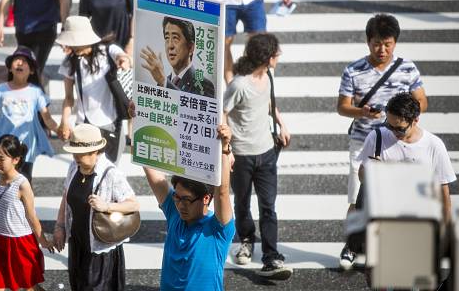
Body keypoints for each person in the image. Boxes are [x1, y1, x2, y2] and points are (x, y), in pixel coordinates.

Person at [337, 13, 428, 269]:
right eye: (377, 43)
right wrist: (362, 112)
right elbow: (342, 107)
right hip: (362, 140)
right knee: (357, 197)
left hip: (396, 142)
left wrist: (401, 115)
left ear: (395, 43)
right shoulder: (353, 70)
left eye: (388, 44)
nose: (382, 49)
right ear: (368, 42)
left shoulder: (407, 68)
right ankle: (352, 245)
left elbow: (423, 101)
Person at [223, 33, 293, 279]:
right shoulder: (240, 85)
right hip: (241, 155)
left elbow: (269, 104)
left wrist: (281, 124)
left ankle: (271, 256)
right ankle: (245, 239)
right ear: (266, 57)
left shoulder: (268, 76)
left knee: (268, 207)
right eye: (276, 53)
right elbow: (222, 112)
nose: (279, 56)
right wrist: (227, 148)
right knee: (242, 203)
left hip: (266, 152)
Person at [142, 124, 234, 290]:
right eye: (176, 197)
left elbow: (222, 193)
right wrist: (138, 118)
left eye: (186, 200)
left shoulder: (217, 229)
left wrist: (225, 149)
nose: (180, 205)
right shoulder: (174, 212)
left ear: (206, 198)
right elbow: (148, 165)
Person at [53, 123, 139, 290]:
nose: (76, 158)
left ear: (95, 152)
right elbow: (65, 196)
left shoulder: (111, 174)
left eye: (81, 154)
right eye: (74, 154)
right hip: (77, 243)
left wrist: (106, 206)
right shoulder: (74, 167)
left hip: (100, 249)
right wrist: (60, 226)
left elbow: (133, 204)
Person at [356, 92, 456, 220]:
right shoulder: (376, 138)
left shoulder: (434, 145)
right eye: (389, 125)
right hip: (383, 218)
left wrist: (445, 230)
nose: (393, 131)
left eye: (400, 128)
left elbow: (443, 192)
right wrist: (373, 172)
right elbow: (362, 176)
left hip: (420, 219)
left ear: (415, 120)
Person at [0, 45, 60, 182]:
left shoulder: (36, 92)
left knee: (25, 180)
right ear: (10, 67)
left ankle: (26, 204)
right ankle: (5, 203)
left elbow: (47, 118)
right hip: (4, 147)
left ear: (32, 70)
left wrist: (59, 130)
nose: (20, 63)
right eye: (17, 60)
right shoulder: (0, 90)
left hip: (25, 147)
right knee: (5, 180)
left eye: (25, 61)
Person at [0, 134, 54, 290]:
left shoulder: (22, 184)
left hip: (20, 242)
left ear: (16, 160)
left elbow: (31, 216)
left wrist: (43, 240)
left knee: (28, 285)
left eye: (1, 159)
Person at [56, 16, 132, 163]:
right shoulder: (69, 62)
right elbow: (69, 98)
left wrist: (124, 61)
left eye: (75, 43)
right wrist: (64, 120)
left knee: (110, 169)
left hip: (110, 122)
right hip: (84, 124)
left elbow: (125, 58)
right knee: (85, 168)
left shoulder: (108, 51)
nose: (73, 47)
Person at [140, 16, 215, 98]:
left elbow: (190, 110)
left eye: (175, 38)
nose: (170, 45)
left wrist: (163, 81)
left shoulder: (204, 85)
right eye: (167, 38)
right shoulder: (163, 82)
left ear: (190, 47)